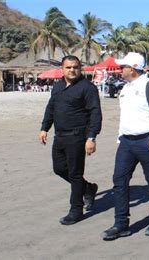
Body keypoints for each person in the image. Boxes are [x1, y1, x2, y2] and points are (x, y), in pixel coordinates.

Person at [101, 52, 149, 240]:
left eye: (123, 66)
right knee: (119, 181)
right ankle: (121, 224)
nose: (120, 69)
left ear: (132, 68)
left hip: (147, 141)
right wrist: (120, 137)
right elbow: (125, 116)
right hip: (126, 142)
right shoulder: (125, 88)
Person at [39, 55, 102, 225]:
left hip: (77, 137)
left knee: (75, 174)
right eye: (68, 67)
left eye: (75, 67)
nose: (72, 70)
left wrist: (91, 137)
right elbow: (51, 108)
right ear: (62, 69)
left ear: (80, 68)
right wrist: (44, 127)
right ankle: (88, 188)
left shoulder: (87, 88)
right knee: (59, 169)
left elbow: (95, 113)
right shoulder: (58, 86)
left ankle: (76, 210)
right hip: (59, 137)